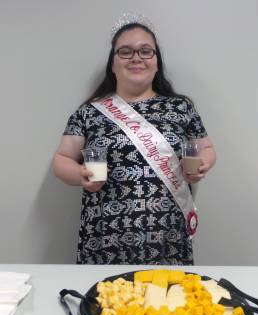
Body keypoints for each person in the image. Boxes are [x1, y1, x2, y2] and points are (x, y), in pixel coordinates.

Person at [52, 14, 216, 265]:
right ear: (113, 64)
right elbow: (62, 159)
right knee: (106, 302)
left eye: (145, 51)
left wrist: (202, 164)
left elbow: (206, 148)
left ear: (157, 62)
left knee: (168, 302)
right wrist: (80, 175)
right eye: (126, 52)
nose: (136, 58)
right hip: (104, 239)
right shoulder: (90, 111)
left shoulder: (181, 107)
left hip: (168, 238)